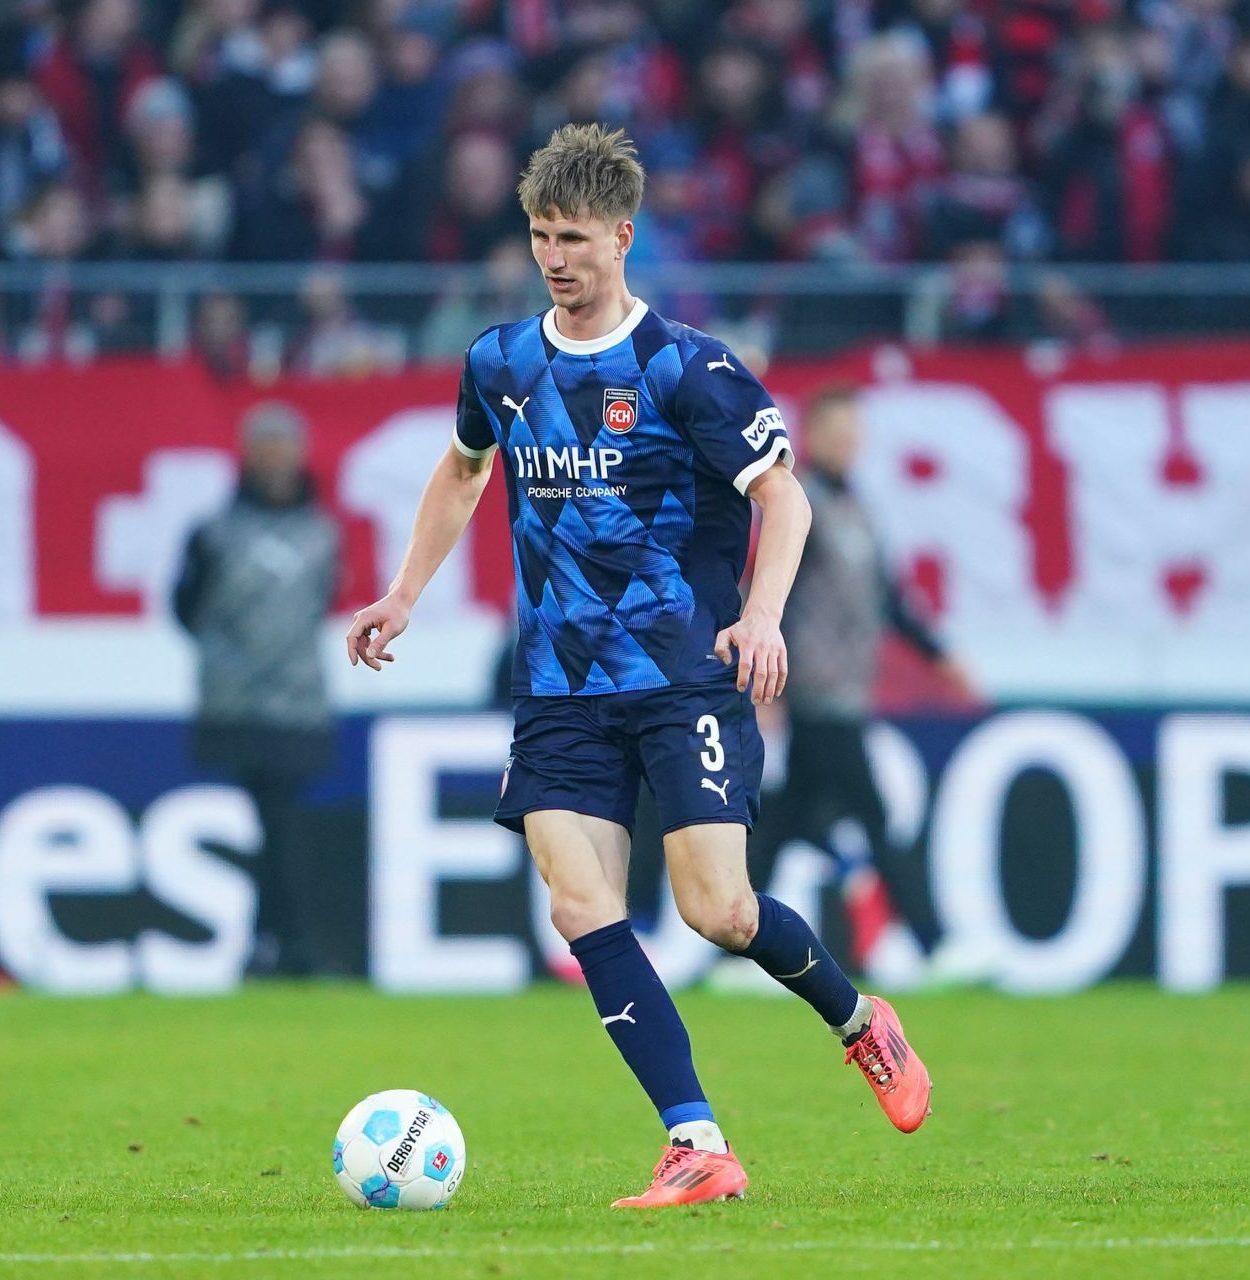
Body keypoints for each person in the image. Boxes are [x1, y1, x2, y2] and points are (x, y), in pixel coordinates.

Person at [345, 124, 932, 1209]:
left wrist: (761, 615)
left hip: (684, 675)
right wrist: (403, 591)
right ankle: (695, 1139)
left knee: (721, 910)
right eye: (537, 235)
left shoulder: (687, 367)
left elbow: (785, 496)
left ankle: (861, 1020)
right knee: (581, 906)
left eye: (573, 236)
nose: (554, 257)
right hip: (561, 687)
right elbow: (465, 468)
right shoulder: (501, 362)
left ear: (624, 236)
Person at [752, 384, 984, 984]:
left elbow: (889, 600)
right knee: (874, 819)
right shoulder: (800, 509)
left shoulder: (858, 509)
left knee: (787, 819)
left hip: (846, 692)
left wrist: (941, 654)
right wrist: (765, 677)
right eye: (836, 433)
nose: (847, 444)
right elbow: (768, 595)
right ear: (811, 437)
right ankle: (934, 942)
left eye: (854, 434)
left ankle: (739, 943)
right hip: (815, 690)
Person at [174, 403, 341, 977]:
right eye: (265, 449)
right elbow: (186, 608)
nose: (276, 461)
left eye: (284, 448)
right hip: (239, 704)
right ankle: (287, 944)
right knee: (276, 822)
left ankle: (270, 944)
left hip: (298, 703)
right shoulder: (214, 534)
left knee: (279, 823)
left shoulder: (323, 532)